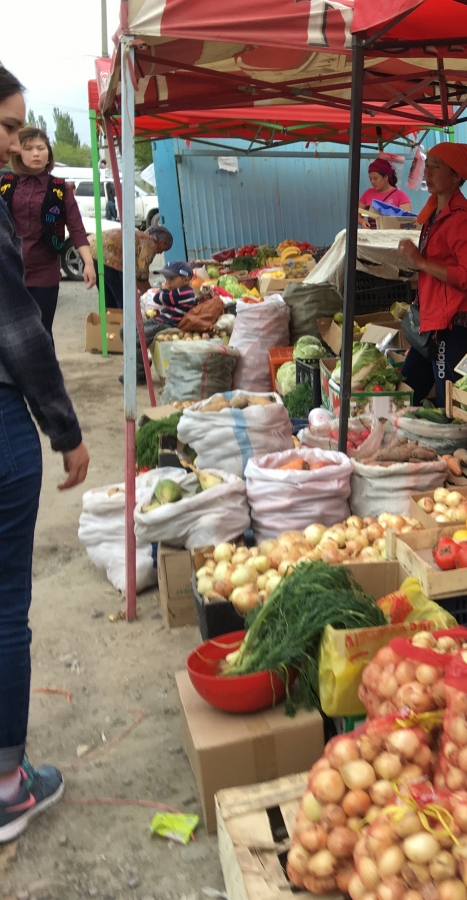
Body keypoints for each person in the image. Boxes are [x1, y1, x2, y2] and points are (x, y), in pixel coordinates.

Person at [0, 65, 90, 844]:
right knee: (4, 608)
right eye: (7, 128)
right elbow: (21, 339)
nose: (15, 145)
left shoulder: (56, 193)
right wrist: (65, 428)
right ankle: (7, 785)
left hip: (43, 284)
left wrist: (83, 258)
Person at [396, 142, 467, 407]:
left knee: (450, 405)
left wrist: (422, 262)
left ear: (456, 176)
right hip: (432, 321)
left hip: (454, 325)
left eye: (436, 167)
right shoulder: (434, 212)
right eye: (428, 165)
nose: (428, 173)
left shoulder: (464, 219)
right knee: (406, 394)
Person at [0, 126, 95, 334]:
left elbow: (76, 227)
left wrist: (88, 263)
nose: (36, 153)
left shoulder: (60, 188)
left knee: (41, 333)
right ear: (18, 152)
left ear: (48, 153)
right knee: (12, 337)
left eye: (41, 148)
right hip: (9, 272)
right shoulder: (5, 184)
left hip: (45, 273)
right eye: (29, 148)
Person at [93, 223, 172, 310]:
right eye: (164, 249)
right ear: (160, 241)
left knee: (107, 295)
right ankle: (123, 321)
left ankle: (110, 319)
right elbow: (141, 272)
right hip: (107, 257)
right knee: (122, 297)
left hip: (92, 250)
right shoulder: (150, 243)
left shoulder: (140, 236)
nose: (160, 253)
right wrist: (150, 294)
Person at [359, 158, 412, 227]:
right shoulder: (367, 193)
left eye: (375, 178)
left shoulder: (401, 196)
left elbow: (408, 221)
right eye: (370, 178)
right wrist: (362, 221)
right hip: (371, 235)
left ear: (386, 177)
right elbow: (356, 213)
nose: (372, 182)